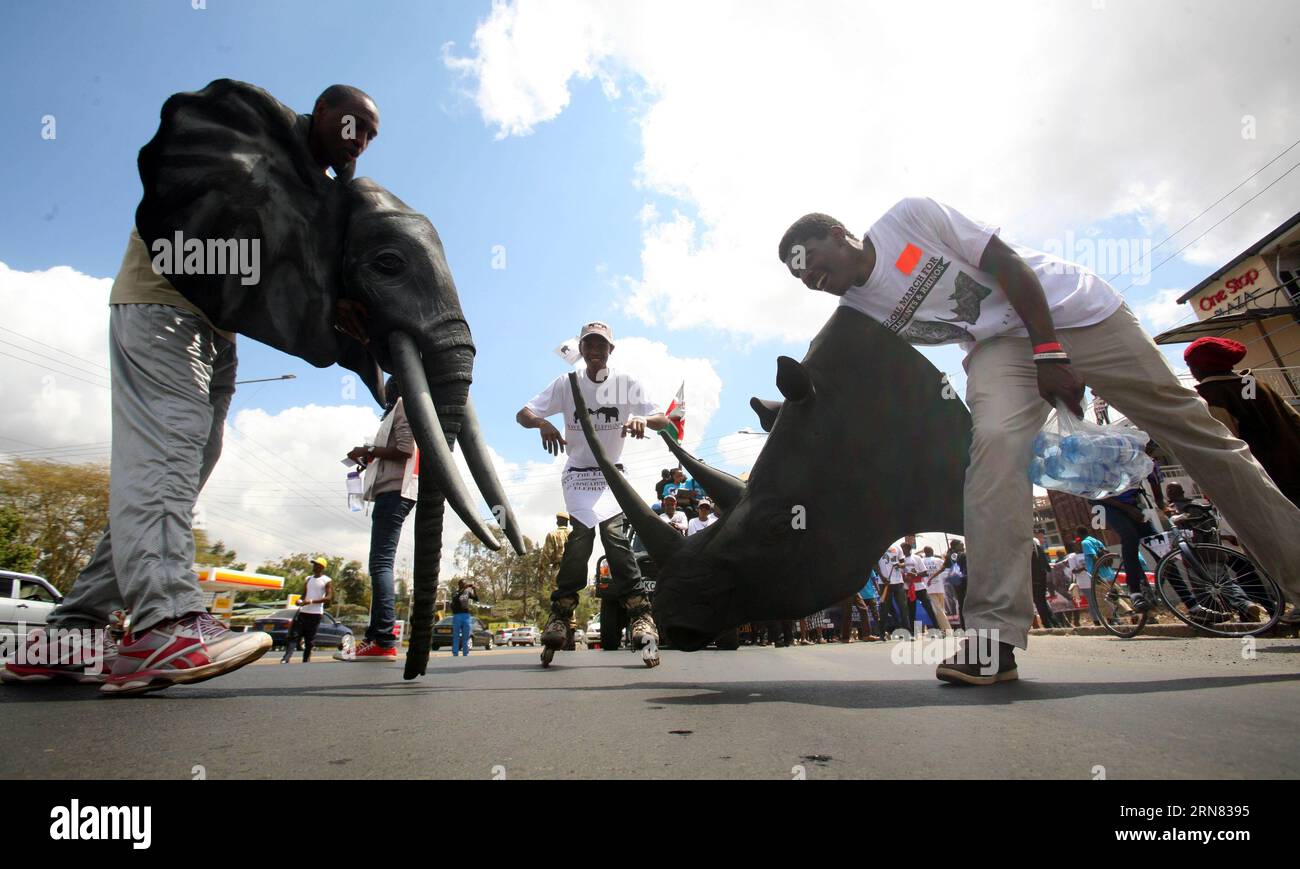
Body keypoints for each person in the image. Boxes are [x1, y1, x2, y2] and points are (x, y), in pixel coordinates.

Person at [778, 198, 1300, 685]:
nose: (809, 278)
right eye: (799, 276)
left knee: (1197, 437)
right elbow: (827, 368)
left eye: (809, 259)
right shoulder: (861, 310)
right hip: (999, 348)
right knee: (994, 449)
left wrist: (1050, 353)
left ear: (840, 233)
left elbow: (1009, 266)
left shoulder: (908, 223)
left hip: (1074, 313)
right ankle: (993, 640)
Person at [3, 84, 381, 694]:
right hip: (164, 306)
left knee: (186, 465)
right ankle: (164, 623)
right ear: (322, 112)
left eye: (369, 135)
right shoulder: (254, 138)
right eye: (352, 124)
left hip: (220, 330)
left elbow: (285, 266)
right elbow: (244, 229)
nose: (358, 139)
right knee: (170, 455)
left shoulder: (316, 191)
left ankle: (71, 631)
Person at [516, 320, 670, 666]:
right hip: (579, 476)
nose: (596, 350)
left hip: (611, 474)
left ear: (611, 350)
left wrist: (644, 421)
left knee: (614, 537)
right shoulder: (566, 383)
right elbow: (522, 414)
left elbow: (662, 417)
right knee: (581, 537)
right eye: (589, 344)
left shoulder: (627, 383)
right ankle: (561, 612)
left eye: (602, 345)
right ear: (582, 349)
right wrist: (543, 423)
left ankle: (640, 615)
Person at [341, 377, 415, 661]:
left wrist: (368, 451)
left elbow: (405, 449)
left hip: (395, 492)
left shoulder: (404, 405)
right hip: (389, 490)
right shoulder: (398, 409)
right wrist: (368, 458)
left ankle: (383, 638)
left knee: (381, 563)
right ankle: (375, 637)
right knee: (379, 563)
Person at [1185, 336, 1300, 509]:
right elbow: (1294, 420)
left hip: (1268, 484)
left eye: (1190, 365)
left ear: (1201, 366)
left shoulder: (1212, 395)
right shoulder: (1254, 384)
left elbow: (1226, 448)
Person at [283, 558, 333, 664]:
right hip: (303, 612)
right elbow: (304, 594)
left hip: (315, 614)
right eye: (314, 564)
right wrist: (300, 600)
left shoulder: (326, 580)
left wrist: (310, 601)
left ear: (322, 567)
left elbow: (328, 597)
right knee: (294, 635)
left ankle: (306, 660)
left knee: (309, 639)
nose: (314, 567)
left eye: (316, 565)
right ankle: (285, 658)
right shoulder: (309, 579)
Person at [1031, 529, 1062, 629]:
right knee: (1042, 600)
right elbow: (1042, 557)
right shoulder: (1034, 541)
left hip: (1034, 575)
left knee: (1039, 600)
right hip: (1041, 573)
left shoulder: (1027, 543)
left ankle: (1047, 623)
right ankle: (1054, 622)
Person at [449, 580, 486, 657]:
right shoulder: (455, 592)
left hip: (466, 616)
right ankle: (455, 653)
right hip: (457, 616)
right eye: (463, 584)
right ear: (459, 585)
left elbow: (476, 599)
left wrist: (474, 589)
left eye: (465, 584)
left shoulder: (467, 592)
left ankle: (465, 653)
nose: (465, 585)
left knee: (466, 635)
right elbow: (455, 599)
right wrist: (462, 590)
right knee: (456, 636)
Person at [922, 546, 953, 633]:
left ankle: (946, 630)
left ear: (925, 552)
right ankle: (947, 630)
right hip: (940, 587)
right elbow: (947, 568)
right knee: (941, 609)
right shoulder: (938, 560)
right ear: (932, 551)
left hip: (929, 588)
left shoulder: (922, 561)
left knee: (939, 610)